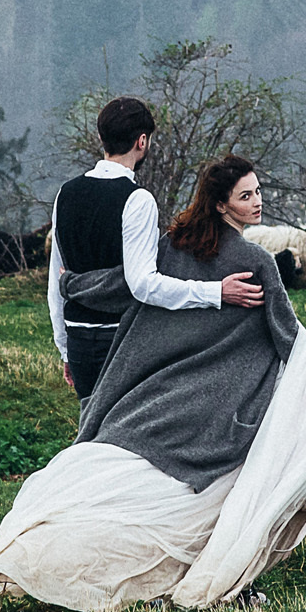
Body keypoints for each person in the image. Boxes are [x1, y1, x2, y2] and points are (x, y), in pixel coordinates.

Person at [0, 156, 306, 612]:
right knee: (213, 492)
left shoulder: (173, 245)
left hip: (161, 391)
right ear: (221, 205)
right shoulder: (255, 261)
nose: (257, 202)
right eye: (246, 195)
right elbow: (290, 337)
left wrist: (75, 285)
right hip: (221, 405)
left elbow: (126, 285)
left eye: (258, 192)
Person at [45, 97, 264, 403]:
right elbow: (143, 285)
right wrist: (217, 292)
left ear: (101, 138)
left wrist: (65, 349)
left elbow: (56, 280)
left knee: (90, 434)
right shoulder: (137, 200)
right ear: (142, 141)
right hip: (122, 340)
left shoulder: (65, 194)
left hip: (78, 338)